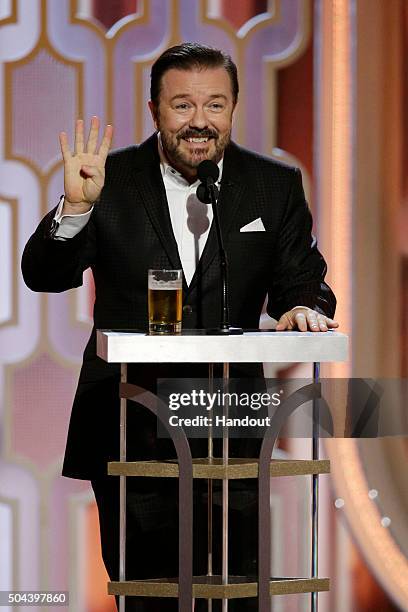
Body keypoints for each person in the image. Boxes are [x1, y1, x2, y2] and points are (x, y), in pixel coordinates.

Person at [22, 43, 337, 611]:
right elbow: (44, 276)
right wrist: (74, 210)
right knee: (151, 594)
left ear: (235, 107)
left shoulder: (272, 185)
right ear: (155, 110)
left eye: (215, 105)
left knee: (237, 592)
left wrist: (304, 306)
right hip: (131, 422)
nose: (200, 122)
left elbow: (301, 277)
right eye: (183, 105)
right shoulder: (109, 180)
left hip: (230, 422)